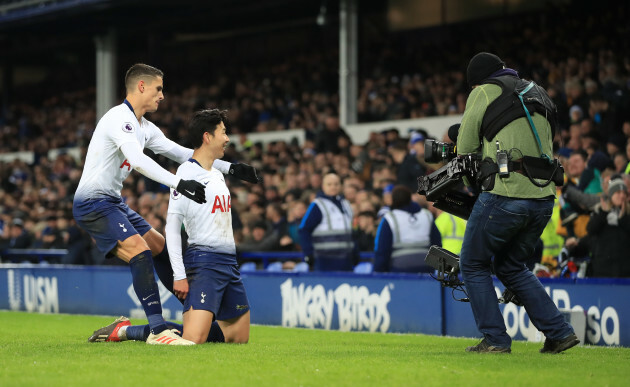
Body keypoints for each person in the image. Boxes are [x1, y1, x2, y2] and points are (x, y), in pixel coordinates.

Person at [75, 64, 258, 345]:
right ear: (141, 87)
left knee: (157, 245)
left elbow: (183, 153)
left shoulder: (144, 127)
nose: (162, 95)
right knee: (140, 250)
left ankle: (191, 302)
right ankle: (157, 328)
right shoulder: (118, 119)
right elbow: (137, 160)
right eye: (159, 88)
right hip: (93, 203)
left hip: (114, 202)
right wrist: (177, 183)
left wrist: (230, 168)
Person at [457, 52, 578, 354]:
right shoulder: (538, 91)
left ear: (476, 82)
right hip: (543, 198)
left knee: (473, 263)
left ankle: (495, 339)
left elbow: (466, 147)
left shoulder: (484, 91)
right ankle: (560, 333)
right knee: (511, 266)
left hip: (506, 194)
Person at [373, 185, 441, 273]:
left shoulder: (390, 218)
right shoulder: (427, 215)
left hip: (399, 270)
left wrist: (379, 272)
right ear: (410, 198)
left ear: (393, 200)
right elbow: (437, 243)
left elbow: (382, 249)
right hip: (426, 268)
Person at [299, 172, 357, 271]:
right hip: (324, 261)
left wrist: (356, 251)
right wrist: (309, 254)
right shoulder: (318, 205)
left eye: (336, 184)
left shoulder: (346, 205)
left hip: (346, 260)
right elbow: (304, 230)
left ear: (341, 186)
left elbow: (352, 231)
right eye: (329, 184)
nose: (333, 187)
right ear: (323, 186)